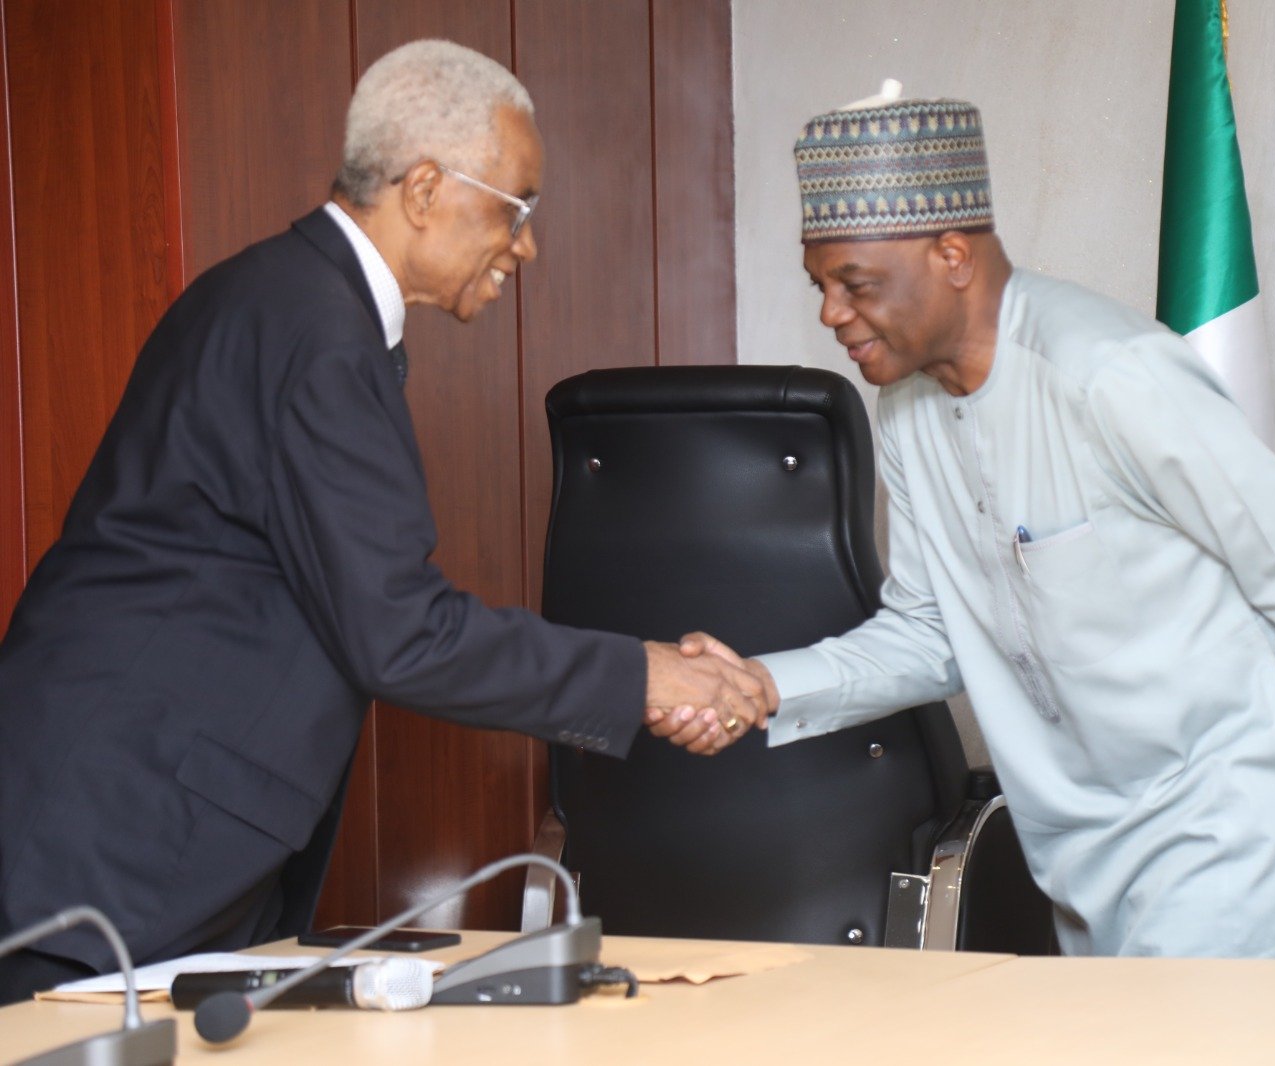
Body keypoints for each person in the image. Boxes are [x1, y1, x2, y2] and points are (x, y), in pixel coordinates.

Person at [0, 40, 764, 1005]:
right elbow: (400, 634)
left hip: (138, 828)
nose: (525, 245)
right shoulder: (315, 332)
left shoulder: (282, 298)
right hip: (116, 842)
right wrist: (645, 672)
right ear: (426, 187)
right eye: (517, 206)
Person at [684, 93, 1275, 958]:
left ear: (951, 255)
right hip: (1081, 869)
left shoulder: (1109, 373)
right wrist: (760, 685)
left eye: (854, 284)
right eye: (819, 286)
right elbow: (935, 633)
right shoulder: (902, 413)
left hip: (1231, 851)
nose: (830, 313)